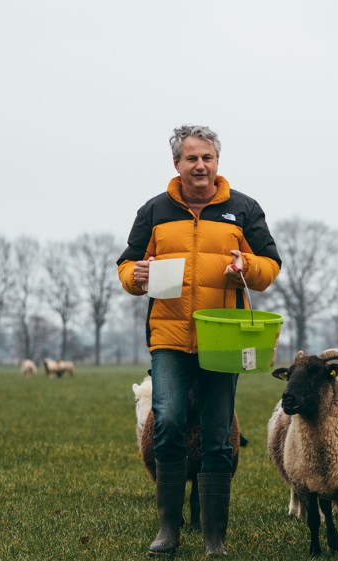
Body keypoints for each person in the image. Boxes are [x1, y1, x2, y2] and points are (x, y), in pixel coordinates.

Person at [116, 124, 281, 556]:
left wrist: (245, 264)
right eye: (192, 158)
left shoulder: (242, 210)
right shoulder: (154, 211)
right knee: (167, 423)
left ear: (217, 162)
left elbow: (270, 266)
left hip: (222, 341)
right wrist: (136, 276)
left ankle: (214, 539)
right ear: (177, 164)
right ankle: (168, 531)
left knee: (217, 434)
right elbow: (127, 266)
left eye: (207, 157)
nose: (200, 165)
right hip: (168, 338)